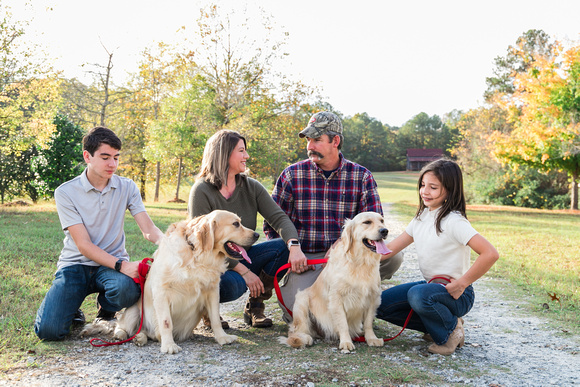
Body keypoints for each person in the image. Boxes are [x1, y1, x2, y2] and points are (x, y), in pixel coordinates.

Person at [264, 111, 404, 322]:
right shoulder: (291, 175)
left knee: (393, 256)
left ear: (335, 141)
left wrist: (340, 246)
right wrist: (293, 252)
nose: (310, 145)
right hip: (308, 259)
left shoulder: (361, 176)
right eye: (308, 140)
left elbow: (375, 226)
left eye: (317, 140)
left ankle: (358, 291)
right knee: (301, 315)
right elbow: (271, 225)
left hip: (347, 256)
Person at [35, 127, 164, 341]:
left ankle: (106, 311)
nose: (112, 164)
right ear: (87, 156)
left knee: (127, 290)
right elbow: (83, 245)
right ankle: (73, 308)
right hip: (75, 266)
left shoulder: (127, 187)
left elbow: (149, 229)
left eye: (116, 157)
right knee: (49, 332)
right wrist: (123, 266)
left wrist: (171, 245)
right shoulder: (66, 192)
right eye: (105, 157)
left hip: (110, 266)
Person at [376, 158, 499, 355]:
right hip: (432, 289)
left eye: (433, 187)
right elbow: (388, 250)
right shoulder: (421, 218)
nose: (425, 191)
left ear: (449, 190)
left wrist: (462, 284)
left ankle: (450, 331)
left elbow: (490, 254)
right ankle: (438, 325)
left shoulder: (454, 221)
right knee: (378, 304)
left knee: (417, 295)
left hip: (456, 293)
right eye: (423, 185)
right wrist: (351, 255)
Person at [188, 129, 307, 328]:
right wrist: (244, 272)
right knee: (234, 285)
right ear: (224, 154)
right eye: (241, 151)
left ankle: (255, 306)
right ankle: (208, 310)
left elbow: (279, 218)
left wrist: (294, 246)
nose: (247, 156)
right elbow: (201, 244)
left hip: (243, 255)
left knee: (282, 248)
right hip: (212, 263)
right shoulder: (201, 191)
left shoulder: (252, 187)